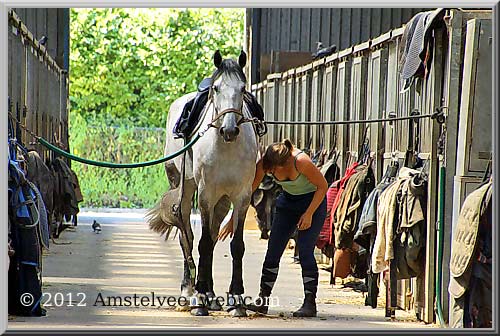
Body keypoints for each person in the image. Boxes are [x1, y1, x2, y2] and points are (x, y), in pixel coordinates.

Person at [219, 139, 328, 317]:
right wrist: (234, 218)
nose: (270, 173)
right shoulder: (266, 163)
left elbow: (322, 186)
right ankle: (263, 301)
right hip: (288, 203)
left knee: (306, 252)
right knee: (272, 252)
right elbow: (248, 191)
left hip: (312, 203)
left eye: (273, 171)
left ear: (283, 165)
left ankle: (310, 303)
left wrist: (308, 214)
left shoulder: (301, 162)